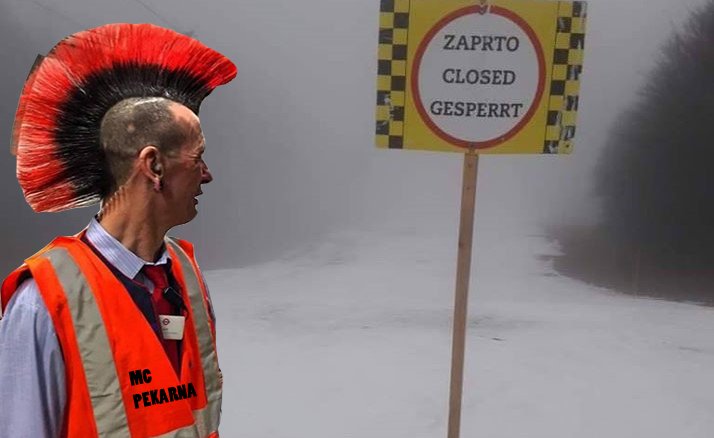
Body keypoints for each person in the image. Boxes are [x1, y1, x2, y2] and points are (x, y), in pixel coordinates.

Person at [0, 23, 236, 437]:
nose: (207, 174)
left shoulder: (187, 275)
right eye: (197, 157)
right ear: (154, 166)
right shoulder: (44, 301)